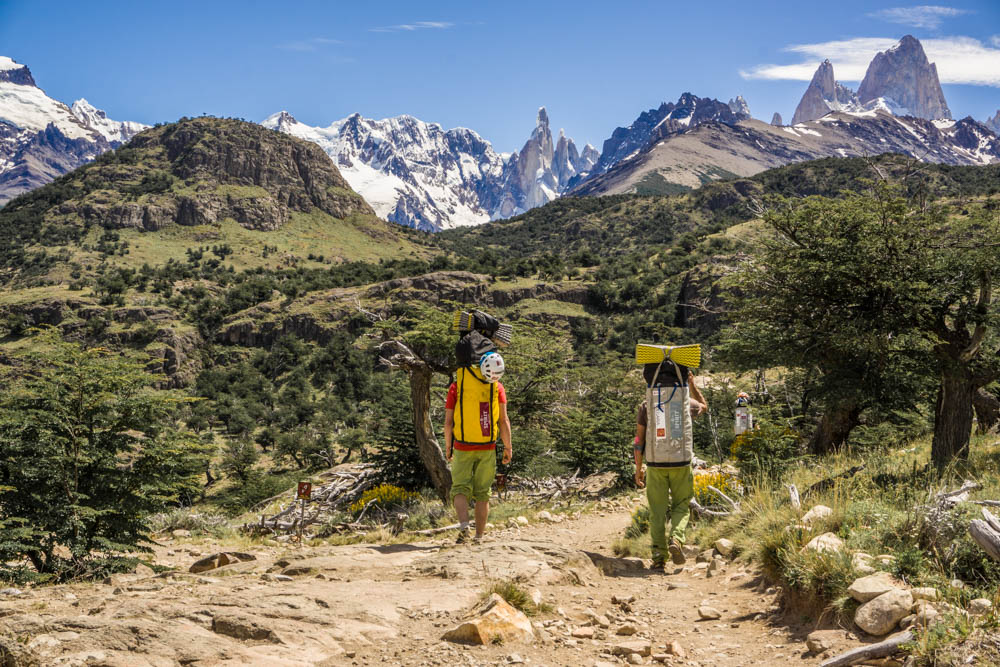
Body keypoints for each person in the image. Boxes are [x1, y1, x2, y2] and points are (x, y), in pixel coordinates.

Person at [633, 364, 707, 569]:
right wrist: (692, 385)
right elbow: (704, 405)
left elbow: (639, 440)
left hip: (655, 463)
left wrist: (638, 468)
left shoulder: (646, 405)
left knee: (656, 511)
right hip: (681, 462)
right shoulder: (686, 402)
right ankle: (676, 539)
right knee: (682, 504)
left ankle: (658, 556)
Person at [444, 352, 512, 544]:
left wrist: (448, 447)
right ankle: (479, 537)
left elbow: (448, 423)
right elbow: (503, 420)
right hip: (487, 447)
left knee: (459, 488)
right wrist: (508, 447)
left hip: (462, 447)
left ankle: (464, 526)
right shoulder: (497, 388)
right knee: (483, 493)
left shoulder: (457, 387)